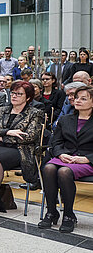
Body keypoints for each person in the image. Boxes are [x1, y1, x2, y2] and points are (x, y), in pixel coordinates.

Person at [0, 81, 44, 216]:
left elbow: (29, 137)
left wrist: (0, 137)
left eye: (19, 94)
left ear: (28, 97)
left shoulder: (35, 113)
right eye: (12, 93)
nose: (14, 96)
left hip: (19, 149)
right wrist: (7, 132)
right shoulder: (2, 109)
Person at [39, 85, 93, 233]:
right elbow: (56, 142)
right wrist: (60, 154)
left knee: (64, 172)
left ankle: (69, 215)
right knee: (48, 168)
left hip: (87, 160)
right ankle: (51, 212)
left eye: (84, 98)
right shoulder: (65, 119)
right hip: (66, 156)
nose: (78, 101)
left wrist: (87, 159)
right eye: (76, 98)